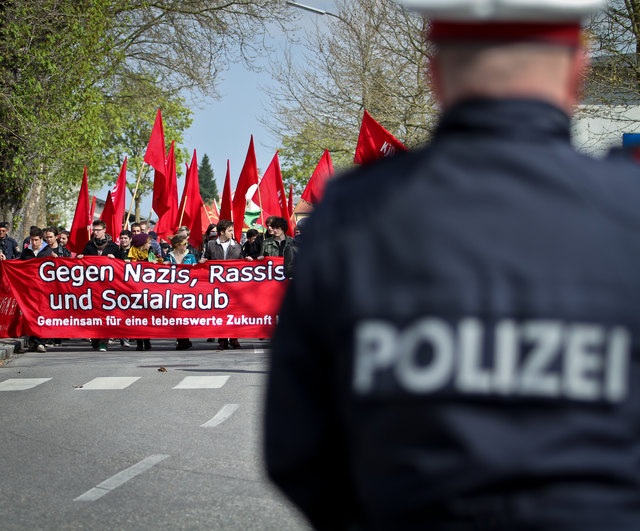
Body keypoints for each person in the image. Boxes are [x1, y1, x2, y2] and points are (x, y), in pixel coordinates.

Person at [264, 1, 640, 529]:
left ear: (435, 73)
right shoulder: (630, 212)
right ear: (579, 70)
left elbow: (295, 447)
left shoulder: (351, 218)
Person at [200, 219, 243, 349]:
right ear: (222, 232)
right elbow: (206, 259)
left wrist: (247, 261)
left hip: (233, 285)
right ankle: (222, 339)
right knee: (220, 312)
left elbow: (241, 263)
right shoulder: (211, 245)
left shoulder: (237, 246)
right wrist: (203, 261)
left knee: (234, 311)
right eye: (230, 230)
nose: (232, 233)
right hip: (217, 285)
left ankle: (234, 337)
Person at [20, 227, 53, 352]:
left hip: (43, 290)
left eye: (36, 240)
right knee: (31, 315)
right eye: (32, 240)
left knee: (41, 314)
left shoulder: (47, 252)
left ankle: (40, 341)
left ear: (41, 239)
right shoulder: (26, 252)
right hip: (29, 289)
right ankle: (33, 341)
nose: (34, 243)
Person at [129, 232, 161, 351]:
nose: (149, 244)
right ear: (141, 244)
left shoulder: (151, 252)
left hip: (148, 289)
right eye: (147, 242)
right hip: (134, 289)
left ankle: (147, 339)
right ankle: (139, 341)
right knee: (137, 316)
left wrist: (157, 264)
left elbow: (158, 262)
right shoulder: (130, 253)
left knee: (146, 315)